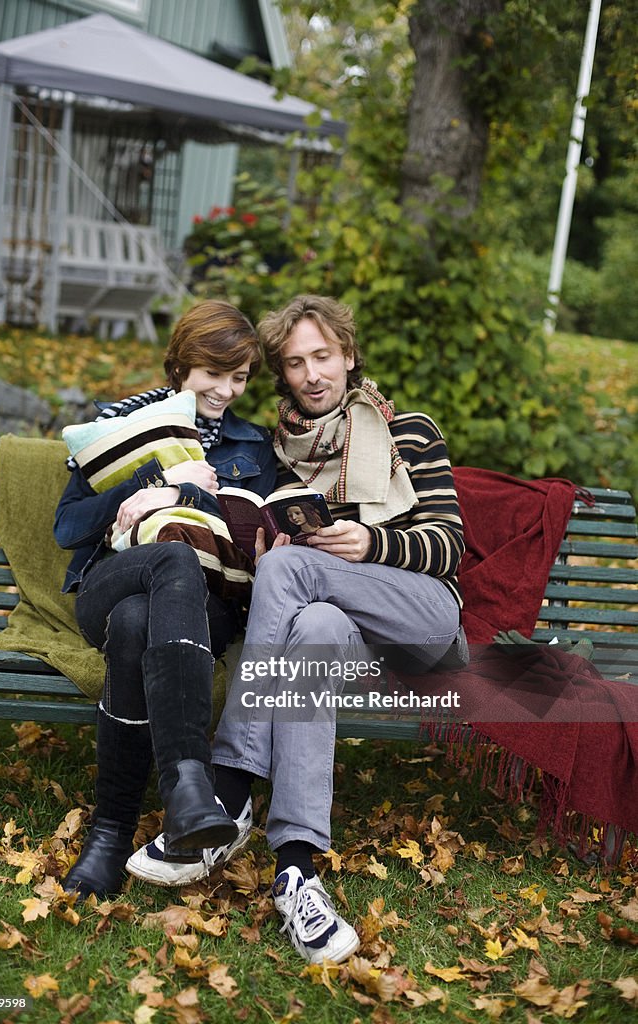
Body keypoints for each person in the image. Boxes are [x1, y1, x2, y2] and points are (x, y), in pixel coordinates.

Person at [127, 294, 466, 964]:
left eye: (323, 356)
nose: (312, 374)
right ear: (282, 375)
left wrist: (371, 543)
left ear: (346, 356)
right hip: (339, 640)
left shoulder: (409, 432)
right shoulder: (280, 451)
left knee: (291, 573)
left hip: (423, 620)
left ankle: (230, 784)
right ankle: (295, 868)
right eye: (295, 362)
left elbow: (450, 546)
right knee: (307, 625)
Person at [54, 300, 276, 900]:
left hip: (205, 603)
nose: (227, 390)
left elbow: (251, 531)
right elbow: (68, 528)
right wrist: (147, 486)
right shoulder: (118, 430)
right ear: (180, 367)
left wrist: (187, 495)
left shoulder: (253, 450)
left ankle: (108, 835)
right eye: (215, 373)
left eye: (240, 377)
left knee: (136, 624)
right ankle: (190, 788)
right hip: (110, 581)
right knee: (150, 582)